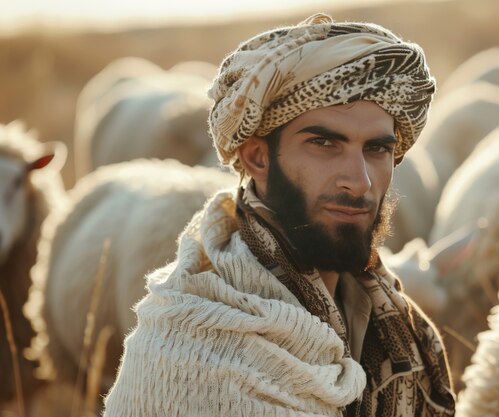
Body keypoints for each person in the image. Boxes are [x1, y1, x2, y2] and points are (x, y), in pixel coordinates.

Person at [104, 13, 455, 417]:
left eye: (376, 150)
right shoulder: (186, 356)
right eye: (324, 143)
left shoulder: (394, 321)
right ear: (257, 157)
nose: (359, 182)